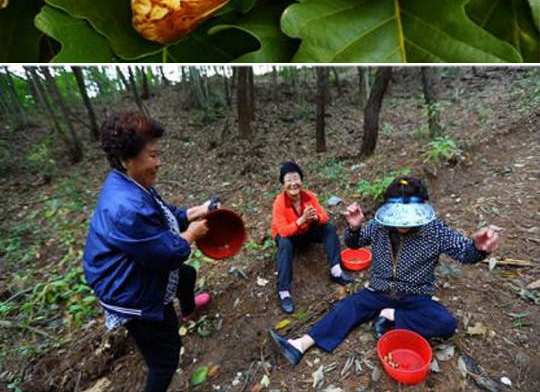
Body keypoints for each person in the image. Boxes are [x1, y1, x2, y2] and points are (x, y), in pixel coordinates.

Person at [269, 174, 500, 365]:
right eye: (397, 214)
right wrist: (355, 228)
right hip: (378, 290)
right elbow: (354, 244)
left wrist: (479, 248)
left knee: (445, 323)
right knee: (346, 308)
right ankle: (299, 345)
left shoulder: (434, 230)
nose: (401, 222)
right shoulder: (380, 225)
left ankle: (391, 316)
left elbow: (464, 252)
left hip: (415, 295)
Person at [83, 111, 217, 392]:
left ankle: (189, 312)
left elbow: (166, 215)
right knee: (165, 358)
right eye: (152, 156)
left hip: (136, 267)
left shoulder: (133, 183)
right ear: (125, 158)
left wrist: (196, 212)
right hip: (130, 290)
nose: (159, 163)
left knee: (186, 275)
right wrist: (193, 234)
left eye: (158, 154)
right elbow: (167, 254)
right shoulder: (126, 207)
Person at [271, 161, 353, 314]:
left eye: (296, 179)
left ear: (301, 180)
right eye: (288, 180)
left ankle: (336, 270)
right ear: (283, 184)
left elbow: (324, 217)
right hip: (289, 237)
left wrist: (315, 218)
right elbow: (282, 231)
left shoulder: (308, 196)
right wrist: (301, 220)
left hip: (305, 233)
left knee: (327, 228)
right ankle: (284, 292)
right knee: (285, 243)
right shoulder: (279, 203)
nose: (293, 183)